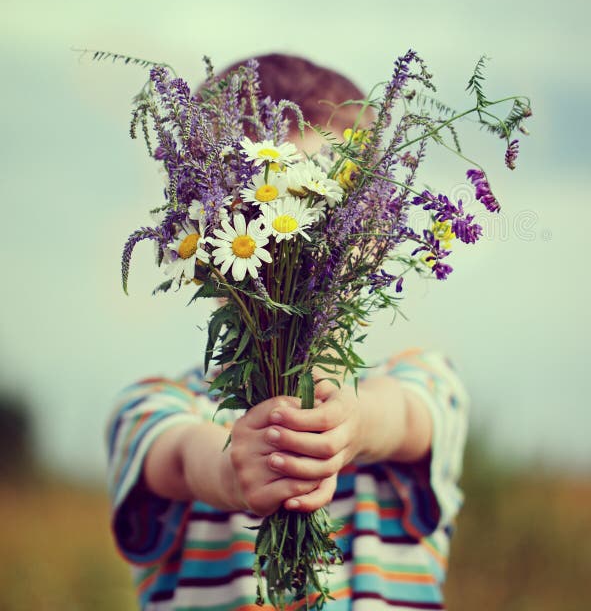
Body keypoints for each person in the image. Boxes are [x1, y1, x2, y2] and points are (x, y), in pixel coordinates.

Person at [106, 53, 469, 611]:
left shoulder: (424, 382)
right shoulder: (155, 407)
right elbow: (179, 457)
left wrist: (353, 426)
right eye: (260, 206)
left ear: (374, 231)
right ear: (207, 230)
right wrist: (232, 471)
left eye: (332, 209)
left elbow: (409, 418)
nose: (298, 246)